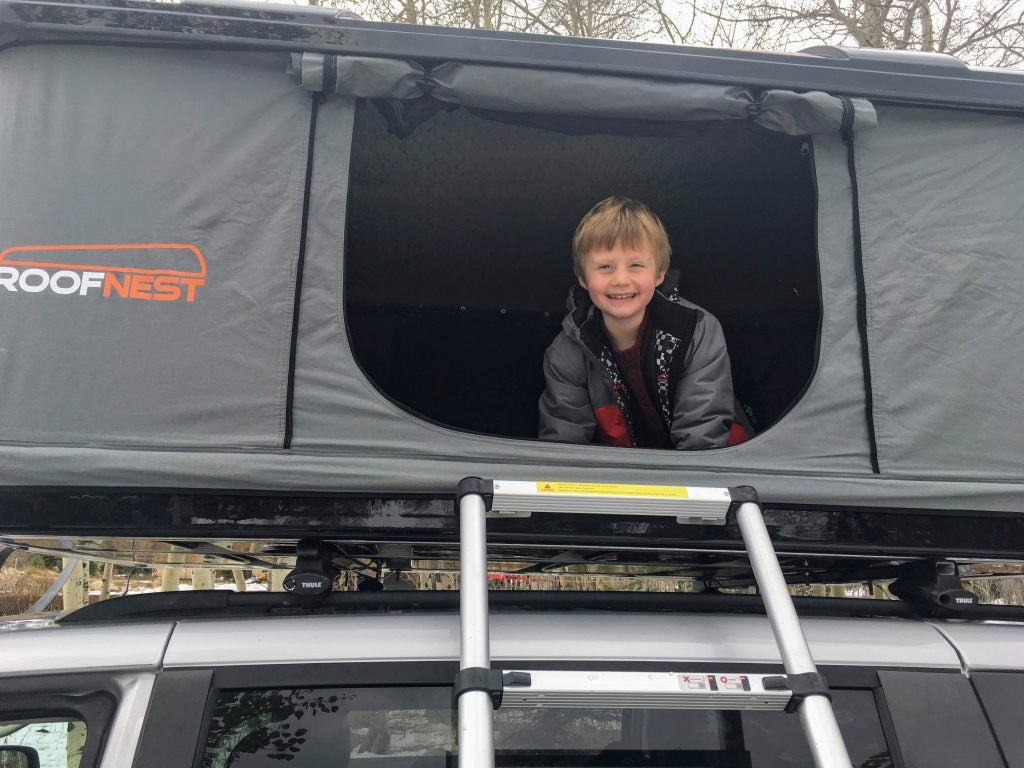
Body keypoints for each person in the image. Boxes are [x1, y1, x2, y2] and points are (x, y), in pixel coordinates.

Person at [538, 197, 734, 450]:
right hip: (618, 476)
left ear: (659, 274)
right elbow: (565, 445)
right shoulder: (566, 353)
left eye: (636, 265)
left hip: (694, 474)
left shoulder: (696, 330)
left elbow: (702, 439)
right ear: (584, 279)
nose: (621, 279)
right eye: (605, 267)